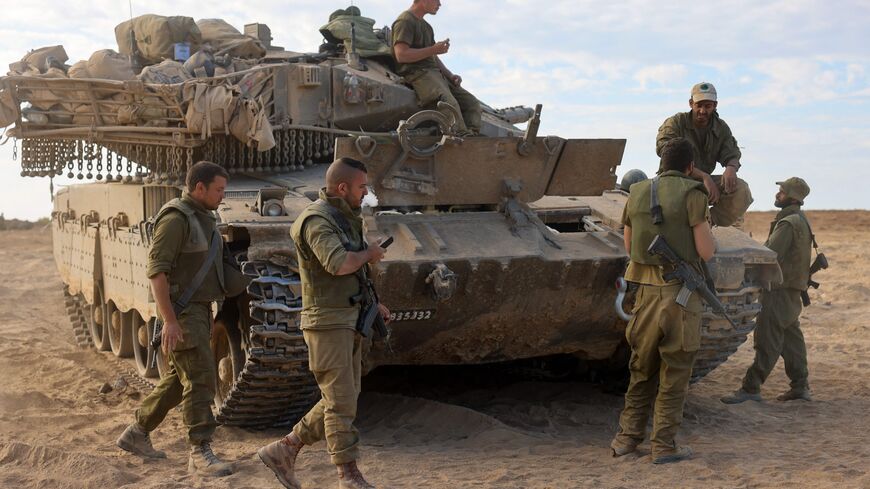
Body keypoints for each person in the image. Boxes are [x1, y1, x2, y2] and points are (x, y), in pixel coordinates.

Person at [258, 157, 391, 489]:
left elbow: (356, 274)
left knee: (342, 397)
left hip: (350, 317)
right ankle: (348, 474)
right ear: (342, 188)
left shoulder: (346, 218)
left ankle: (284, 449)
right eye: (362, 187)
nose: (366, 194)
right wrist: (369, 254)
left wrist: (375, 304)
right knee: (341, 400)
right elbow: (339, 263)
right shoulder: (316, 221)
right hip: (327, 321)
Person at [116, 161, 233, 477]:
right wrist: (169, 320)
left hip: (198, 311)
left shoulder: (202, 217)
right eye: (219, 190)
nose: (223, 196)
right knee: (200, 378)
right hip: (182, 311)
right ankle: (200, 451)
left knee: (178, 380)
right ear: (200, 188)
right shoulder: (176, 218)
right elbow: (157, 272)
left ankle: (137, 432)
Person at [610, 137, 716, 464]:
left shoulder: (638, 192)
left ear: (661, 163)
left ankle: (626, 439)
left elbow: (630, 248)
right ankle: (664, 445)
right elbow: (706, 251)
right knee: (675, 371)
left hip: (644, 296)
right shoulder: (693, 194)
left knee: (641, 368)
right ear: (689, 167)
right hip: (680, 300)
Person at [721, 177, 814, 404]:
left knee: (767, 340)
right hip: (791, 291)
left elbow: (769, 255)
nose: (777, 194)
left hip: (778, 291)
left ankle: (751, 388)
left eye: (782, 192)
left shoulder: (788, 224)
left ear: (792, 197)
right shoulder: (801, 220)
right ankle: (800, 386)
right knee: (792, 340)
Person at [656, 82, 753, 227]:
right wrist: (703, 175)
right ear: (691, 103)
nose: (702, 110)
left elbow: (731, 152)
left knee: (741, 189)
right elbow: (665, 151)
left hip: (701, 185)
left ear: (715, 105)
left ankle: (707, 223)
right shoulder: (676, 123)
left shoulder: (720, 128)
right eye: (698, 105)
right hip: (673, 182)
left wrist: (731, 168)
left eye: (707, 106)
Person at [391, 0, 482, 135]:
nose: (439, 4)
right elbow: (401, 55)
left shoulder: (426, 26)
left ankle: (472, 137)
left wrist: (450, 75)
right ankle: (460, 137)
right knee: (449, 105)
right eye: (437, 0)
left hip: (435, 73)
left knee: (471, 104)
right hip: (417, 74)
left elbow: (432, 56)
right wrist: (433, 49)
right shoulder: (405, 21)